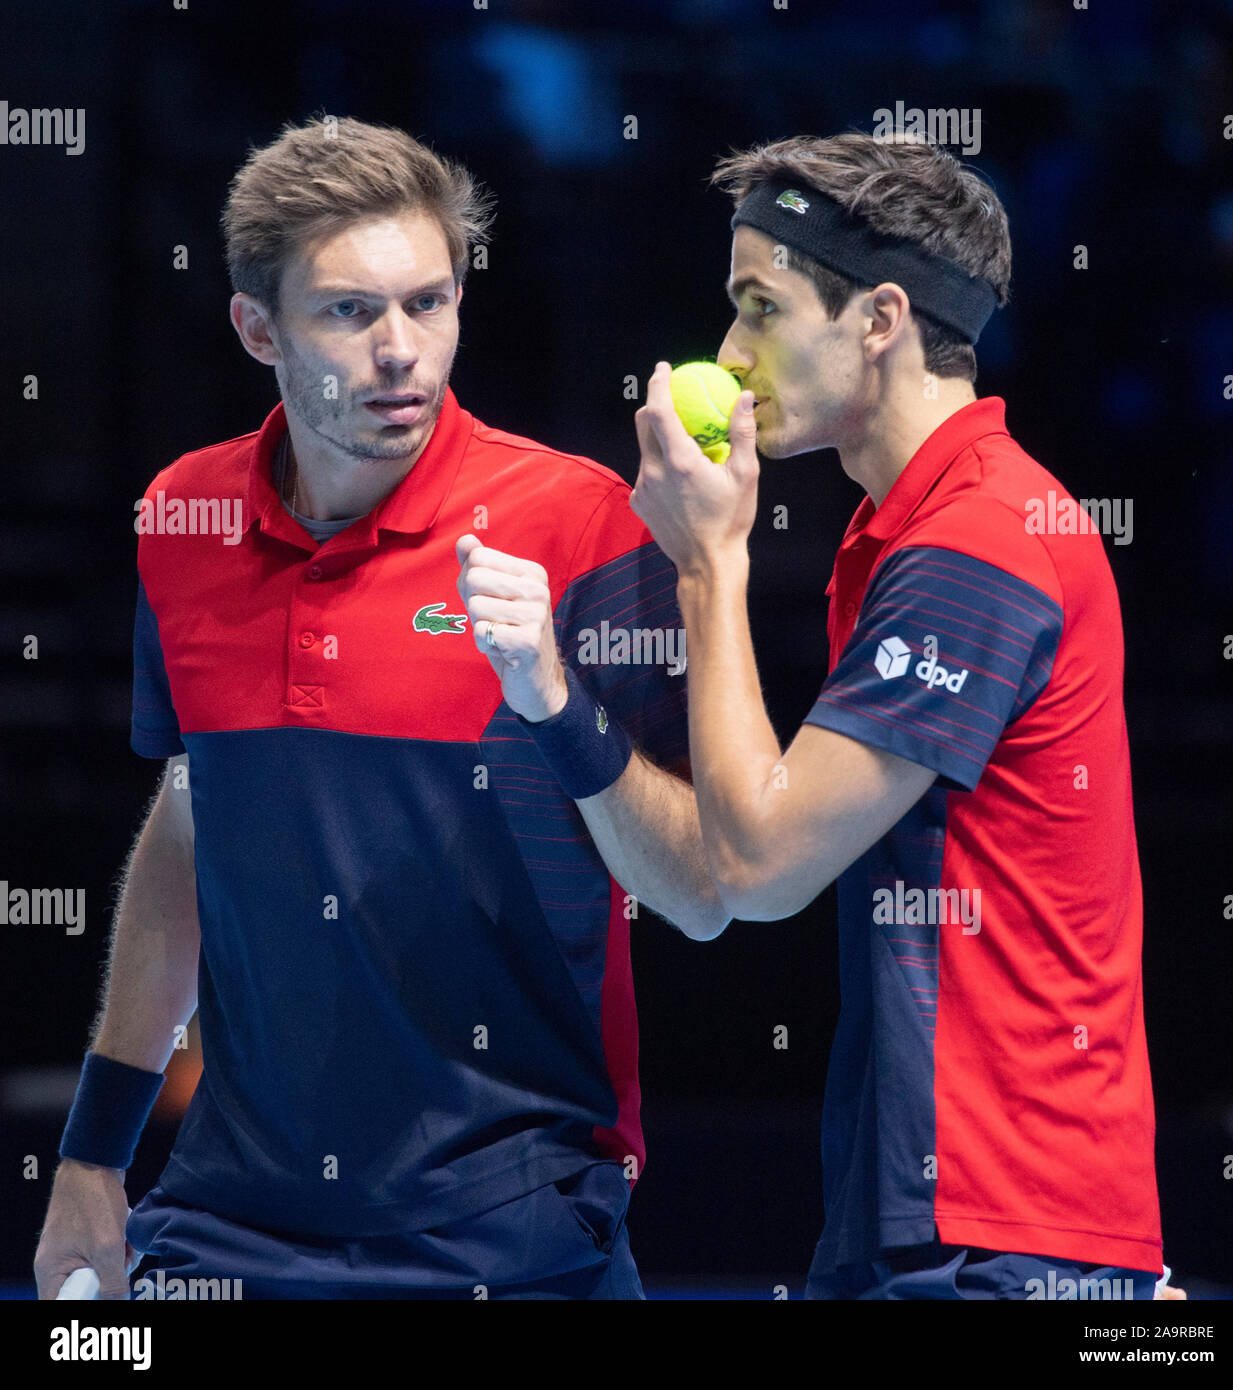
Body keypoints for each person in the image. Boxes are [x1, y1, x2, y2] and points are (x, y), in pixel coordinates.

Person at [33, 115, 727, 1302]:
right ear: (258, 328)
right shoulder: (180, 518)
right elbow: (196, 818)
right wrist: (94, 1152)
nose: (402, 349)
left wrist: (555, 702)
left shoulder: (581, 523)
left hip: (514, 1221)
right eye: (350, 312)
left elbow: (699, 889)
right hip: (227, 1222)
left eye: (430, 302)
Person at [628, 132, 1167, 1300]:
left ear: (878, 319)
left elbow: (760, 864)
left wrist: (709, 565)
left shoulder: (979, 542)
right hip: (965, 1222)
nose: (728, 352)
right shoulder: (931, 529)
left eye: (758, 307)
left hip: (997, 1233)